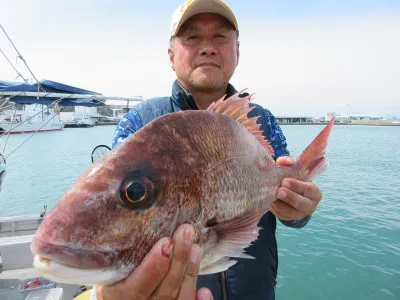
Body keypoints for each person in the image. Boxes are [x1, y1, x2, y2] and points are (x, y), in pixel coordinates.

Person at [109, 0, 323, 299]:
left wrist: (298, 210)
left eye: (220, 37)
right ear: (171, 56)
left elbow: (290, 210)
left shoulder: (261, 118)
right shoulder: (142, 122)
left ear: (237, 51)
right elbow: (114, 212)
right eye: (193, 37)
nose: (207, 47)